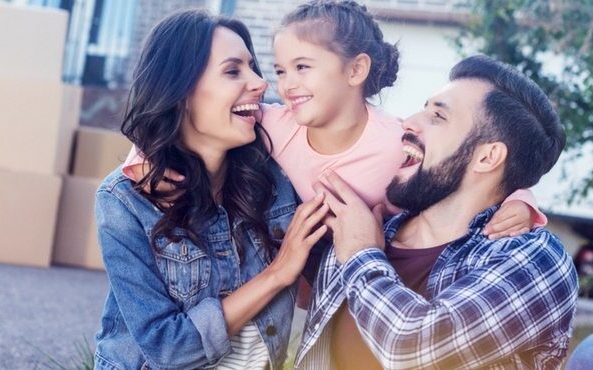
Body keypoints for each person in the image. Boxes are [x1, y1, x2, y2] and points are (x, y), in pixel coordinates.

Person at [122, 0, 546, 309]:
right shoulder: (273, 123)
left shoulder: (394, 142)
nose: (286, 85)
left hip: (346, 287)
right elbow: (193, 121)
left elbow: (457, 175)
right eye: (282, 70)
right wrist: (142, 157)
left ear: (355, 70)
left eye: (303, 67)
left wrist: (521, 202)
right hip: (271, 286)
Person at [296, 55, 578, 369]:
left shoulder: (535, 258)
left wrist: (361, 253)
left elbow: (411, 349)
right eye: (424, 107)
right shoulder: (366, 224)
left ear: (487, 158)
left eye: (438, 117)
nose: (409, 122)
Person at [94, 10, 328, 369]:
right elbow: (167, 348)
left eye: (253, 67)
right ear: (181, 91)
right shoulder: (126, 201)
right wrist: (277, 273)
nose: (260, 83)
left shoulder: (276, 175)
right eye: (233, 70)